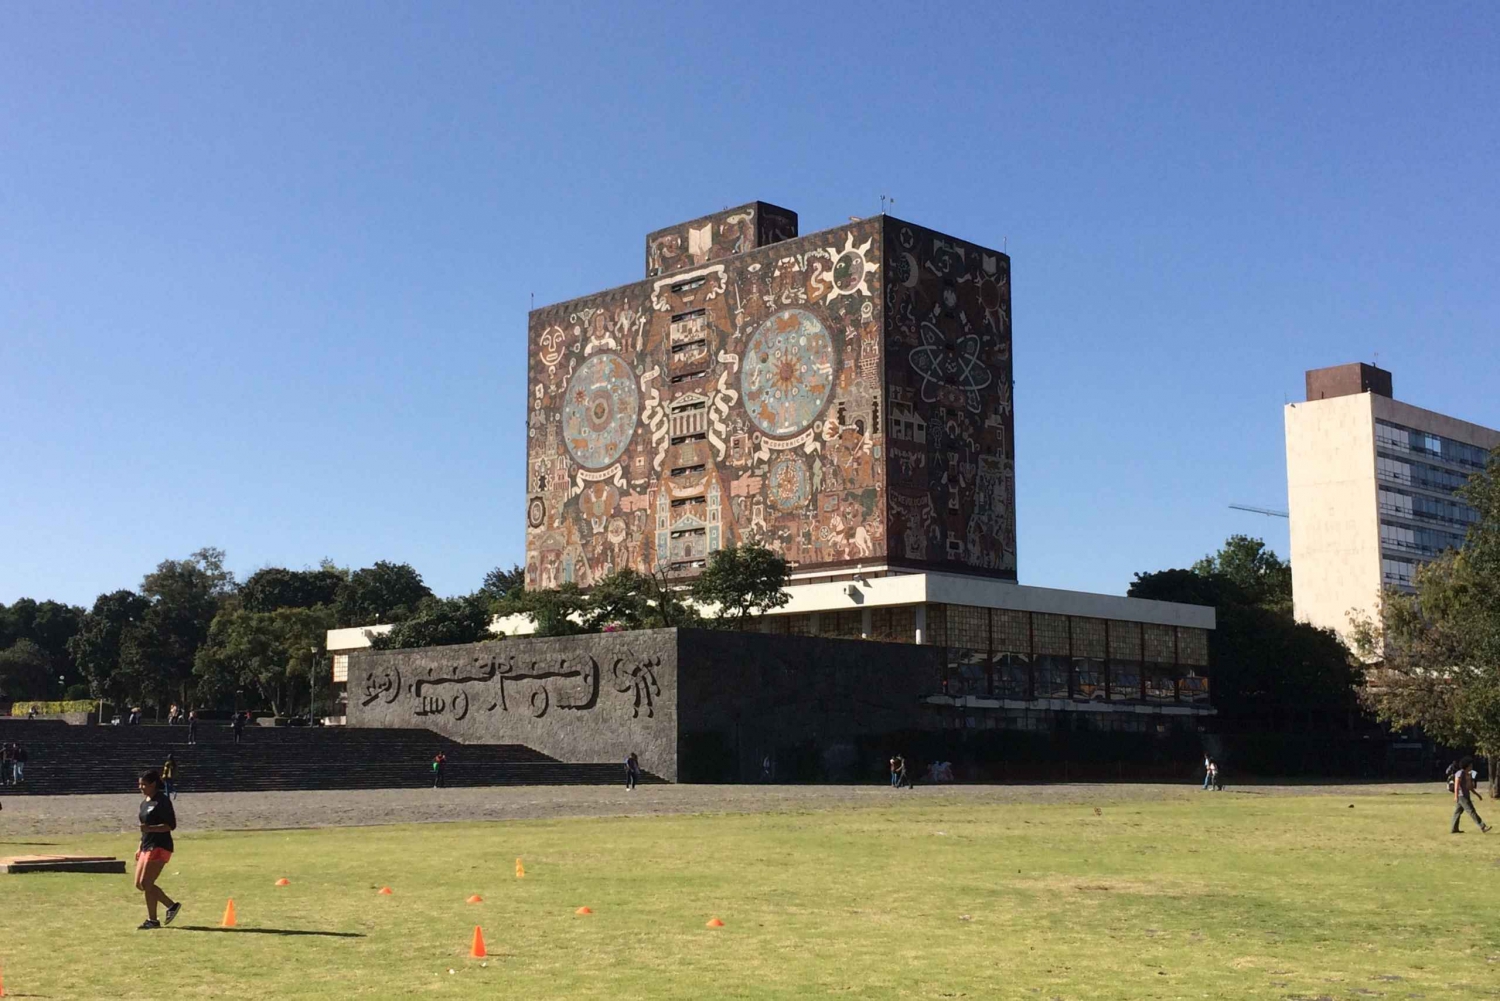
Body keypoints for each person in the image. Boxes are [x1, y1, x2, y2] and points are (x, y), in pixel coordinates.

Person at [134, 769, 181, 929]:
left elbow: (170, 826)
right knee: (140, 884)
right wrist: (139, 846)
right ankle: (160, 915)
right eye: (139, 784)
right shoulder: (144, 802)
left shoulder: (163, 801)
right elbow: (143, 828)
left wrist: (151, 829)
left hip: (160, 845)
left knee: (146, 882)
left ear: (153, 784)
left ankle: (163, 911)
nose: (141, 787)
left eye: (144, 784)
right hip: (146, 845)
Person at [1451, 756, 1490, 834]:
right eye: (1470, 765)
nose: (1472, 766)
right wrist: (1455, 796)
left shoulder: (1468, 774)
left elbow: (1470, 787)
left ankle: (1454, 829)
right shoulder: (1460, 773)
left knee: (1457, 812)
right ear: (1467, 765)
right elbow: (1456, 785)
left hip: (1466, 795)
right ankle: (1483, 826)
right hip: (1462, 796)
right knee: (1471, 811)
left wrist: (1477, 794)